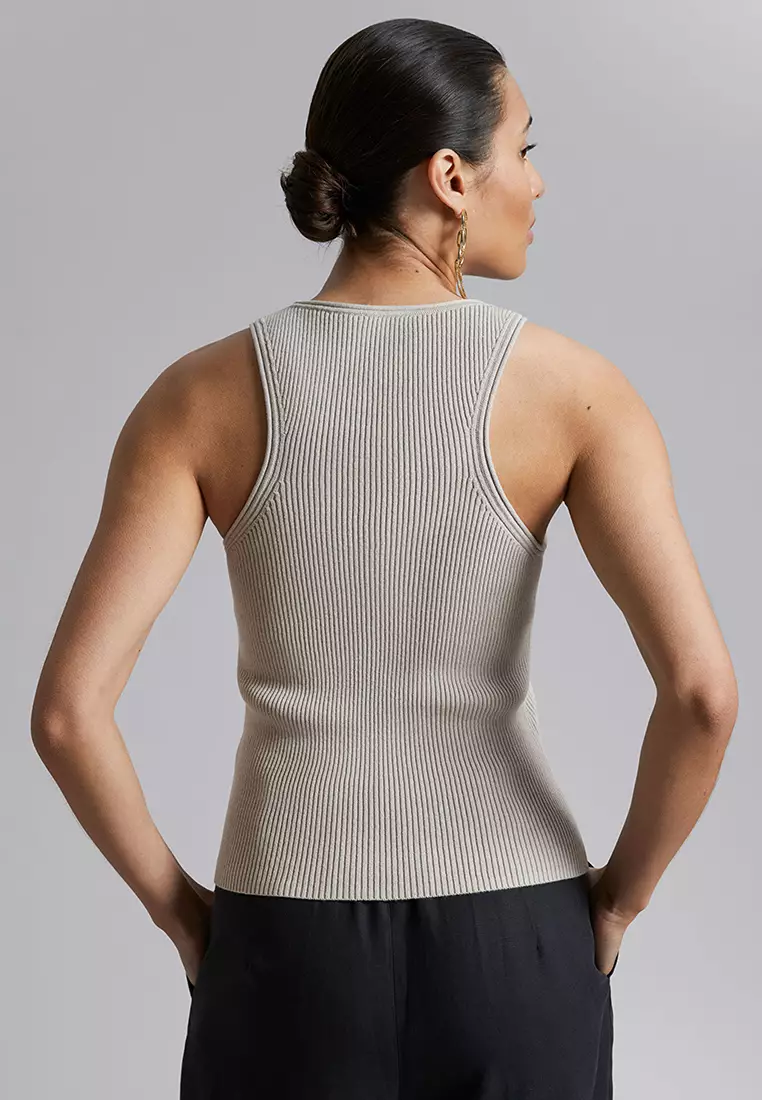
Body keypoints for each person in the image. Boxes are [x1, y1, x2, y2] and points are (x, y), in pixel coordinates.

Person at [30, 16, 738, 1100]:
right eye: (523, 150)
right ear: (451, 177)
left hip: (283, 942)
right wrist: (619, 901)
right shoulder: (578, 393)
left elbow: (68, 713)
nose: (537, 183)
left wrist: (185, 917)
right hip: (520, 939)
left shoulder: (197, 397)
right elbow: (702, 694)